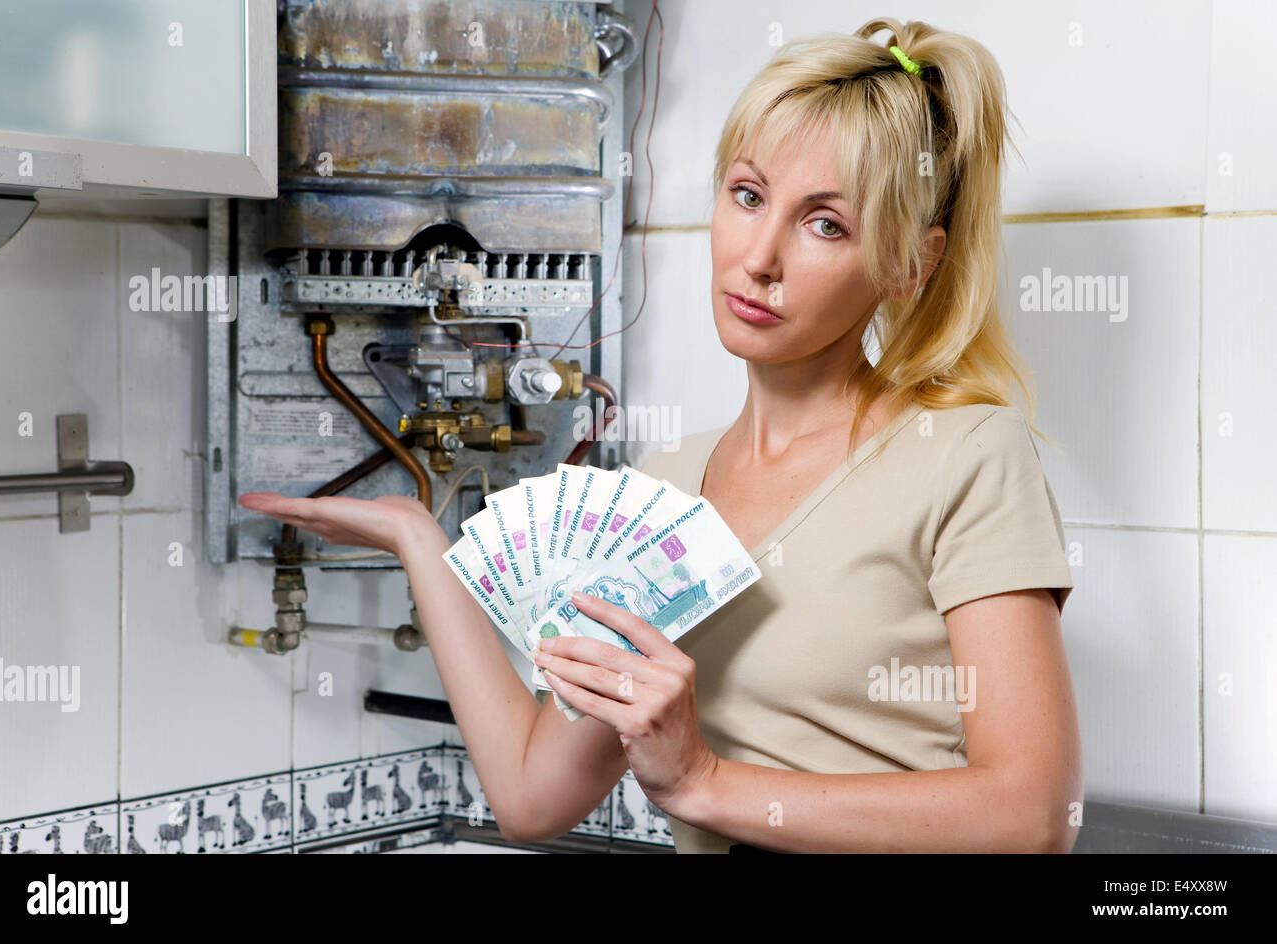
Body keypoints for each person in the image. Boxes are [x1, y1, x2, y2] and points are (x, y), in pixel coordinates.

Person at [238, 16, 1082, 853]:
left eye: (826, 224)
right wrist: (423, 543)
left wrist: (702, 782)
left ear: (909, 265)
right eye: (748, 196)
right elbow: (535, 797)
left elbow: (1032, 816)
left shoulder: (966, 457)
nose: (760, 257)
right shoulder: (664, 489)